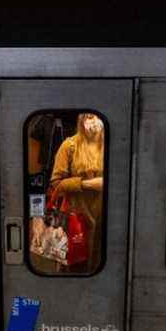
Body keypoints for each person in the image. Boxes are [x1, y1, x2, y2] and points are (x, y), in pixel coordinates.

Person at [48, 113, 105, 272]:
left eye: (96, 117)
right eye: (88, 117)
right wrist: (86, 184)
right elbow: (56, 183)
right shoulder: (70, 145)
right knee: (74, 266)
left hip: (105, 216)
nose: (93, 121)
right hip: (76, 214)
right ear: (81, 120)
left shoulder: (113, 143)